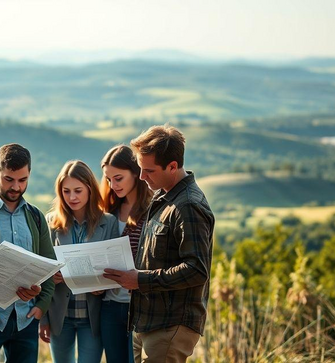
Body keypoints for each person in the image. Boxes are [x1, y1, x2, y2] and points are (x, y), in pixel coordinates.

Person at [103, 126, 215, 363]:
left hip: (170, 325)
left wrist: (140, 280)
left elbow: (197, 270)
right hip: (149, 322)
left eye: (149, 171)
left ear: (173, 166)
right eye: (141, 170)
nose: (142, 177)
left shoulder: (188, 206)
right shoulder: (164, 196)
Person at [0, 143, 56, 363]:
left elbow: (49, 265)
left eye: (23, 180)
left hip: (25, 320)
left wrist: (41, 306)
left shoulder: (36, 217)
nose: (16, 187)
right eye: (9, 179)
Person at [40, 160, 119, 363]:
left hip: (92, 316)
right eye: (66, 191)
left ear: (90, 189)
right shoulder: (51, 222)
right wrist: (44, 318)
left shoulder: (108, 222)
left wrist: (102, 285)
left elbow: (114, 267)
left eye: (77, 190)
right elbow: (42, 270)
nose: (72, 197)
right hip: (60, 315)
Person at [99, 145, 153, 363]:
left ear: (136, 173)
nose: (113, 185)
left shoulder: (153, 210)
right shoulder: (107, 213)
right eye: (108, 179)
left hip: (139, 307)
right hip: (110, 307)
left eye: (118, 178)